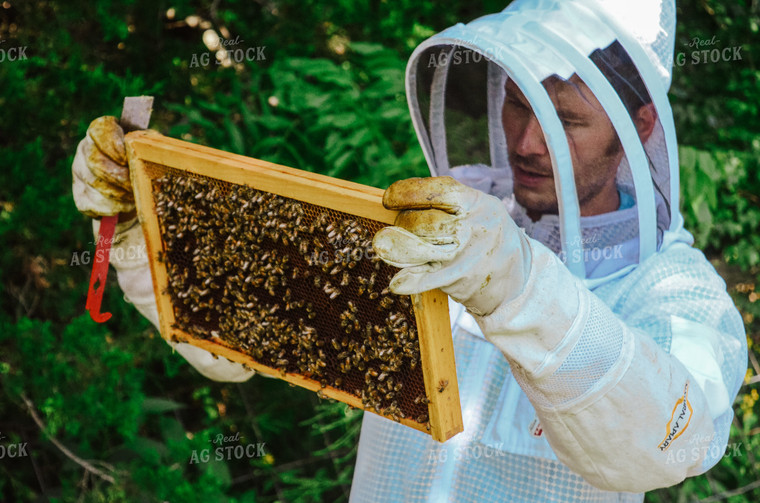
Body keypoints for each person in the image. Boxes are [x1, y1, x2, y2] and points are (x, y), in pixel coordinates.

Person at [72, 0, 747, 501]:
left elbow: (664, 443)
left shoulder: (674, 294)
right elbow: (242, 335)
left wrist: (520, 290)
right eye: (516, 104)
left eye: (565, 117)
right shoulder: (445, 230)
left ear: (640, 125)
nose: (527, 142)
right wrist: (139, 232)